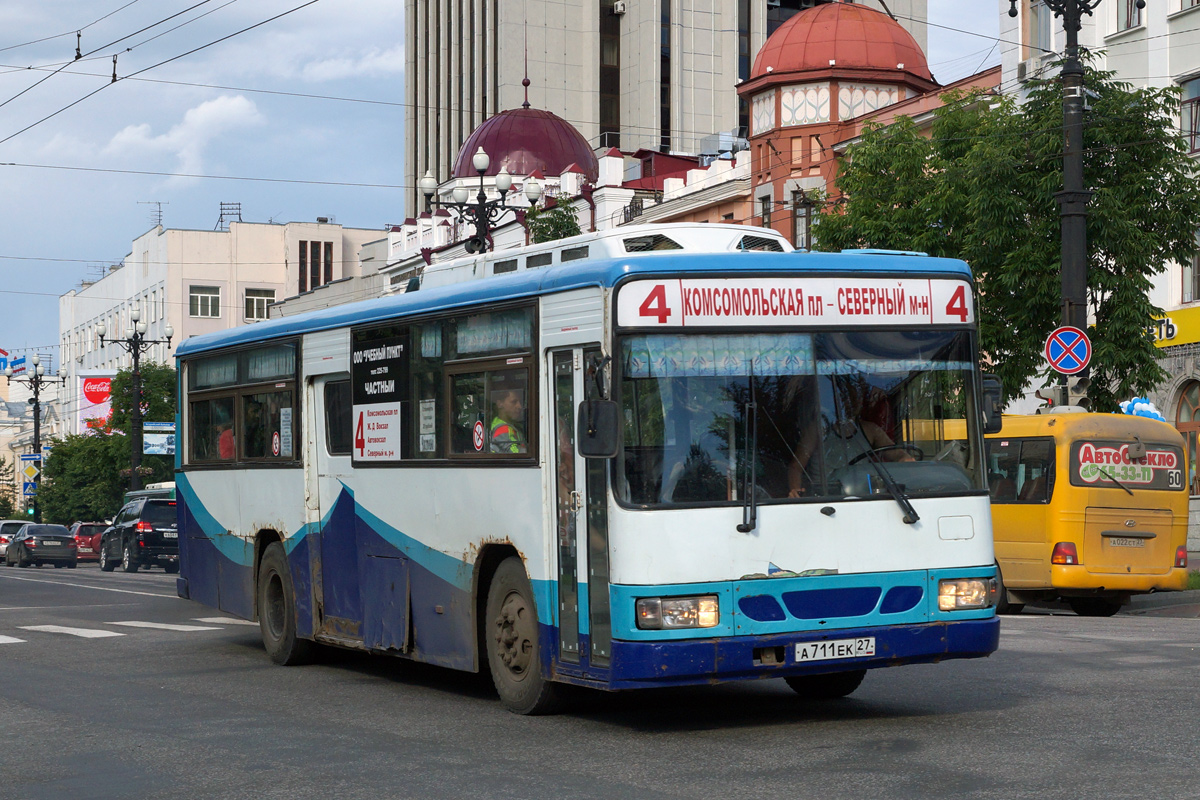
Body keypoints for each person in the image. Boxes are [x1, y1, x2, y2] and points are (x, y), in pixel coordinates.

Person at [788, 379, 911, 497]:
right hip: (824, 498)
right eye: (845, 400)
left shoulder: (871, 430)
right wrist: (795, 491)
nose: (850, 404)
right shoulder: (817, 429)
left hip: (862, 498)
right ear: (835, 401)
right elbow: (796, 467)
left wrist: (906, 460)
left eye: (854, 400)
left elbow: (899, 455)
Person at [490, 388, 527, 454]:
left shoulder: (500, 423)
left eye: (520, 402)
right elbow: (516, 454)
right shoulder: (502, 428)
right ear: (500, 404)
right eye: (514, 402)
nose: (519, 406)